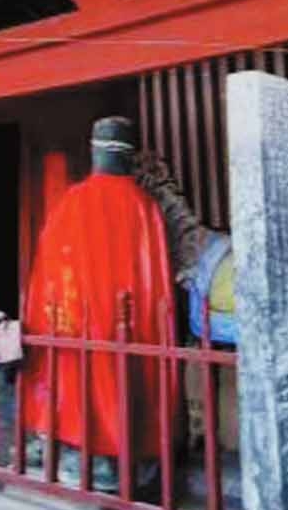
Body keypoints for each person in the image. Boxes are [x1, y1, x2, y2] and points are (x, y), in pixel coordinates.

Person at [22, 116, 175, 490]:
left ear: (94, 151)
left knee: (74, 384)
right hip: (131, 323)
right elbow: (156, 283)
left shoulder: (73, 200)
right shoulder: (145, 206)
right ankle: (118, 458)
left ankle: (66, 447)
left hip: (77, 321)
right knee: (126, 380)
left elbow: (50, 273)